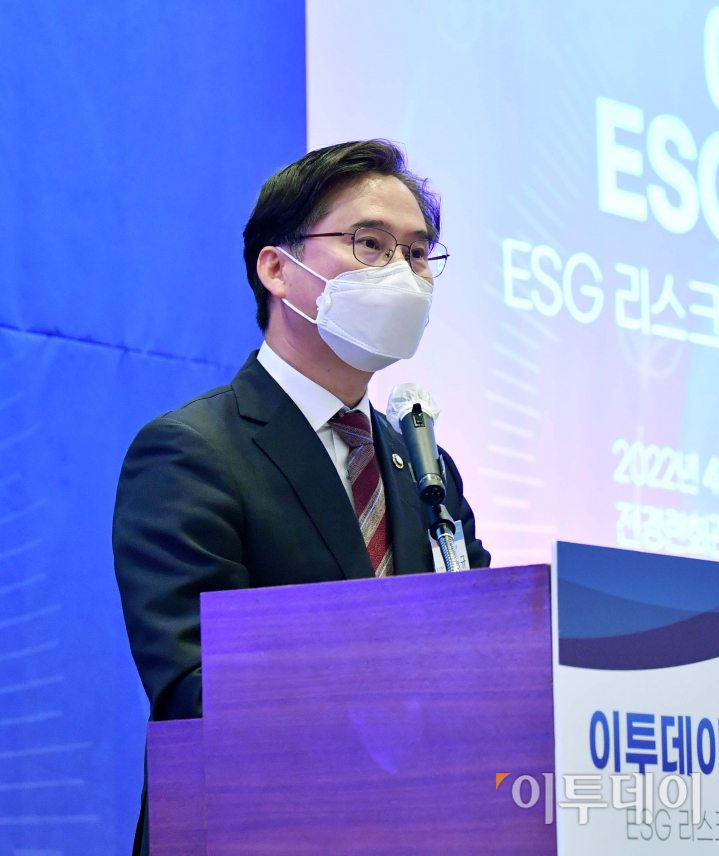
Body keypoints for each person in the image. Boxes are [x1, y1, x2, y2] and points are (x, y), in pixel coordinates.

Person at [112, 140, 489, 855]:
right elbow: (196, 686)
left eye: (417, 254)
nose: (403, 275)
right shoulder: (193, 451)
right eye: (370, 244)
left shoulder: (425, 467)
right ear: (277, 269)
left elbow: (487, 657)